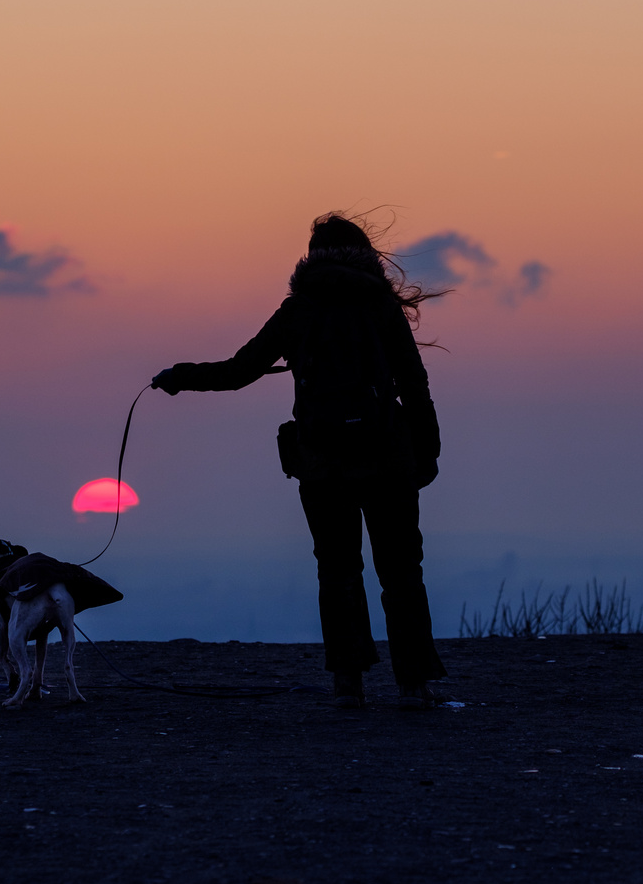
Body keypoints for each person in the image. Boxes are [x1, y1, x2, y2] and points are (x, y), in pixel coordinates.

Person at [151, 213, 446, 709]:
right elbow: (415, 385)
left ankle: (348, 684)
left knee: (336, 571)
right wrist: (428, 451)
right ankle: (414, 685)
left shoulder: (298, 310)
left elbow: (239, 371)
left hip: (321, 463)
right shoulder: (379, 307)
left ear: (311, 256)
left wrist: (178, 376)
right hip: (388, 461)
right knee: (400, 573)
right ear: (365, 255)